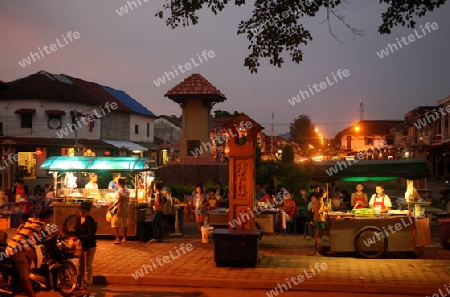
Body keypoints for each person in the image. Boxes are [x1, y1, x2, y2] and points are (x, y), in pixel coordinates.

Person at [7, 208, 60, 297]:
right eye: (49, 218)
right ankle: (31, 294)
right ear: (46, 217)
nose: (49, 220)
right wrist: (59, 234)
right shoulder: (41, 225)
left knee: (32, 254)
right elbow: (51, 232)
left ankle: (18, 281)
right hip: (18, 250)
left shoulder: (31, 221)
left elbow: (34, 234)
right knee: (25, 277)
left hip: (11, 246)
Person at [74, 202, 97, 292]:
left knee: (88, 266)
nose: (82, 213)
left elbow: (91, 234)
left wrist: (80, 237)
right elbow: (76, 230)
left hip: (89, 246)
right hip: (81, 246)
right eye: (81, 211)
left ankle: (88, 285)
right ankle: (79, 284)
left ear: (88, 211)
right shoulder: (78, 219)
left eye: (84, 212)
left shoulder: (91, 221)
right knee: (80, 266)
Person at [110, 177, 130, 244]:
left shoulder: (119, 191)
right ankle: (124, 238)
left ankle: (118, 238)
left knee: (114, 223)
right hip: (126, 208)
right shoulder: (128, 190)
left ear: (119, 183)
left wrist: (112, 206)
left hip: (119, 208)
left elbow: (119, 200)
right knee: (124, 223)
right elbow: (128, 200)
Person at [313, 188, 330, 256]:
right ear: (323, 194)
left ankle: (316, 251)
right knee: (318, 236)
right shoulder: (321, 201)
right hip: (320, 219)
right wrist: (327, 208)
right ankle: (316, 252)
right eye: (325, 193)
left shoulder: (317, 200)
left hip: (316, 219)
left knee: (317, 236)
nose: (326, 194)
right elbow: (320, 211)